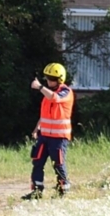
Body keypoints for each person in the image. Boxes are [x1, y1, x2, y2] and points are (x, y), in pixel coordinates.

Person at [23, 62, 74, 200]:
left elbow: (54, 98)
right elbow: (45, 114)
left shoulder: (66, 91)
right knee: (37, 162)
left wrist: (39, 86)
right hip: (44, 136)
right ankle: (37, 191)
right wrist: (36, 128)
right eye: (47, 78)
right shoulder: (47, 93)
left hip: (59, 137)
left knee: (58, 164)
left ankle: (63, 191)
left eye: (51, 79)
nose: (48, 81)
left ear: (60, 79)